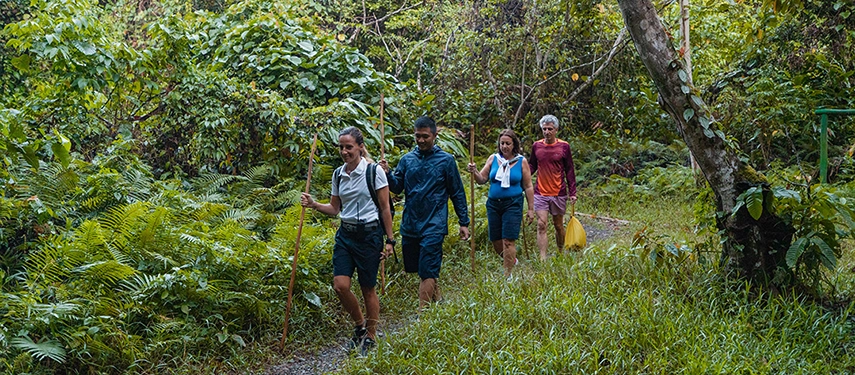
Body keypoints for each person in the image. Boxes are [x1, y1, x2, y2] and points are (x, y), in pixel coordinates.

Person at [300, 126, 394, 355]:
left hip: (370, 235)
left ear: (360, 147)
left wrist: (390, 240)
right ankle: (360, 325)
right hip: (346, 234)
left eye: (349, 147)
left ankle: (371, 335)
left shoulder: (374, 172)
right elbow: (334, 208)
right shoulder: (338, 174)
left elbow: (384, 208)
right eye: (341, 147)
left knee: (367, 288)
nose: (344, 151)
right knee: (340, 286)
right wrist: (313, 204)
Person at [379, 116, 470, 312]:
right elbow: (397, 187)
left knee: (428, 268)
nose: (421, 140)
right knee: (417, 268)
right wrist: (387, 174)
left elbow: (457, 192)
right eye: (417, 136)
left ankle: (423, 314)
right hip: (411, 223)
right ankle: (438, 300)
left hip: (434, 224)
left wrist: (464, 222)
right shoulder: (406, 160)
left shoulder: (446, 161)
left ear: (435, 135)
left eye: (425, 136)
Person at [466, 129, 535, 277]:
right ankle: (512, 261)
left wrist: (531, 208)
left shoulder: (521, 161)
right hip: (493, 204)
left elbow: (528, 186)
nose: (504, 146)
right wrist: (474, 171)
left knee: (508, 240)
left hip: (513, 203)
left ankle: (507, 275)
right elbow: (482, 179)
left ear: (514, 144)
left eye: (508, 143)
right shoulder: (493, 159)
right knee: (496, 240)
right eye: (502, 143)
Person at [528, 114, 577, 260]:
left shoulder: (564, 146)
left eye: (550, 129)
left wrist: (572, 192)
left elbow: (569, 169)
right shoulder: (537, 146)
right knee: (541, 224)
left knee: (558, 225)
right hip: (540, 192)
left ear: (556, 130)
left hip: (558, 192)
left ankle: (560, 251)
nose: (547, 132)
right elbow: (532, 165)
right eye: (544, 129)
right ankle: (542, 258)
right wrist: (523, 177)